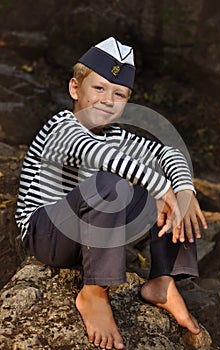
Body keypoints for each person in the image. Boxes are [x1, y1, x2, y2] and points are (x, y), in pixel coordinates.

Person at [15, 37, 207, 350]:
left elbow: (167, 153)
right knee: (112, 184)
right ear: (75, 89)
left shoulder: (117, 136)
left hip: (89, 237)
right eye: (99, 89)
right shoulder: (61, 126)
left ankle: (162, 280)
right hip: (47, 234)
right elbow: (97, 156)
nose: (108, 100)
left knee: (171, 189)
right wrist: (158, 187)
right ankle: (93, 292)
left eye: (119, 94)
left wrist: (183, 188)